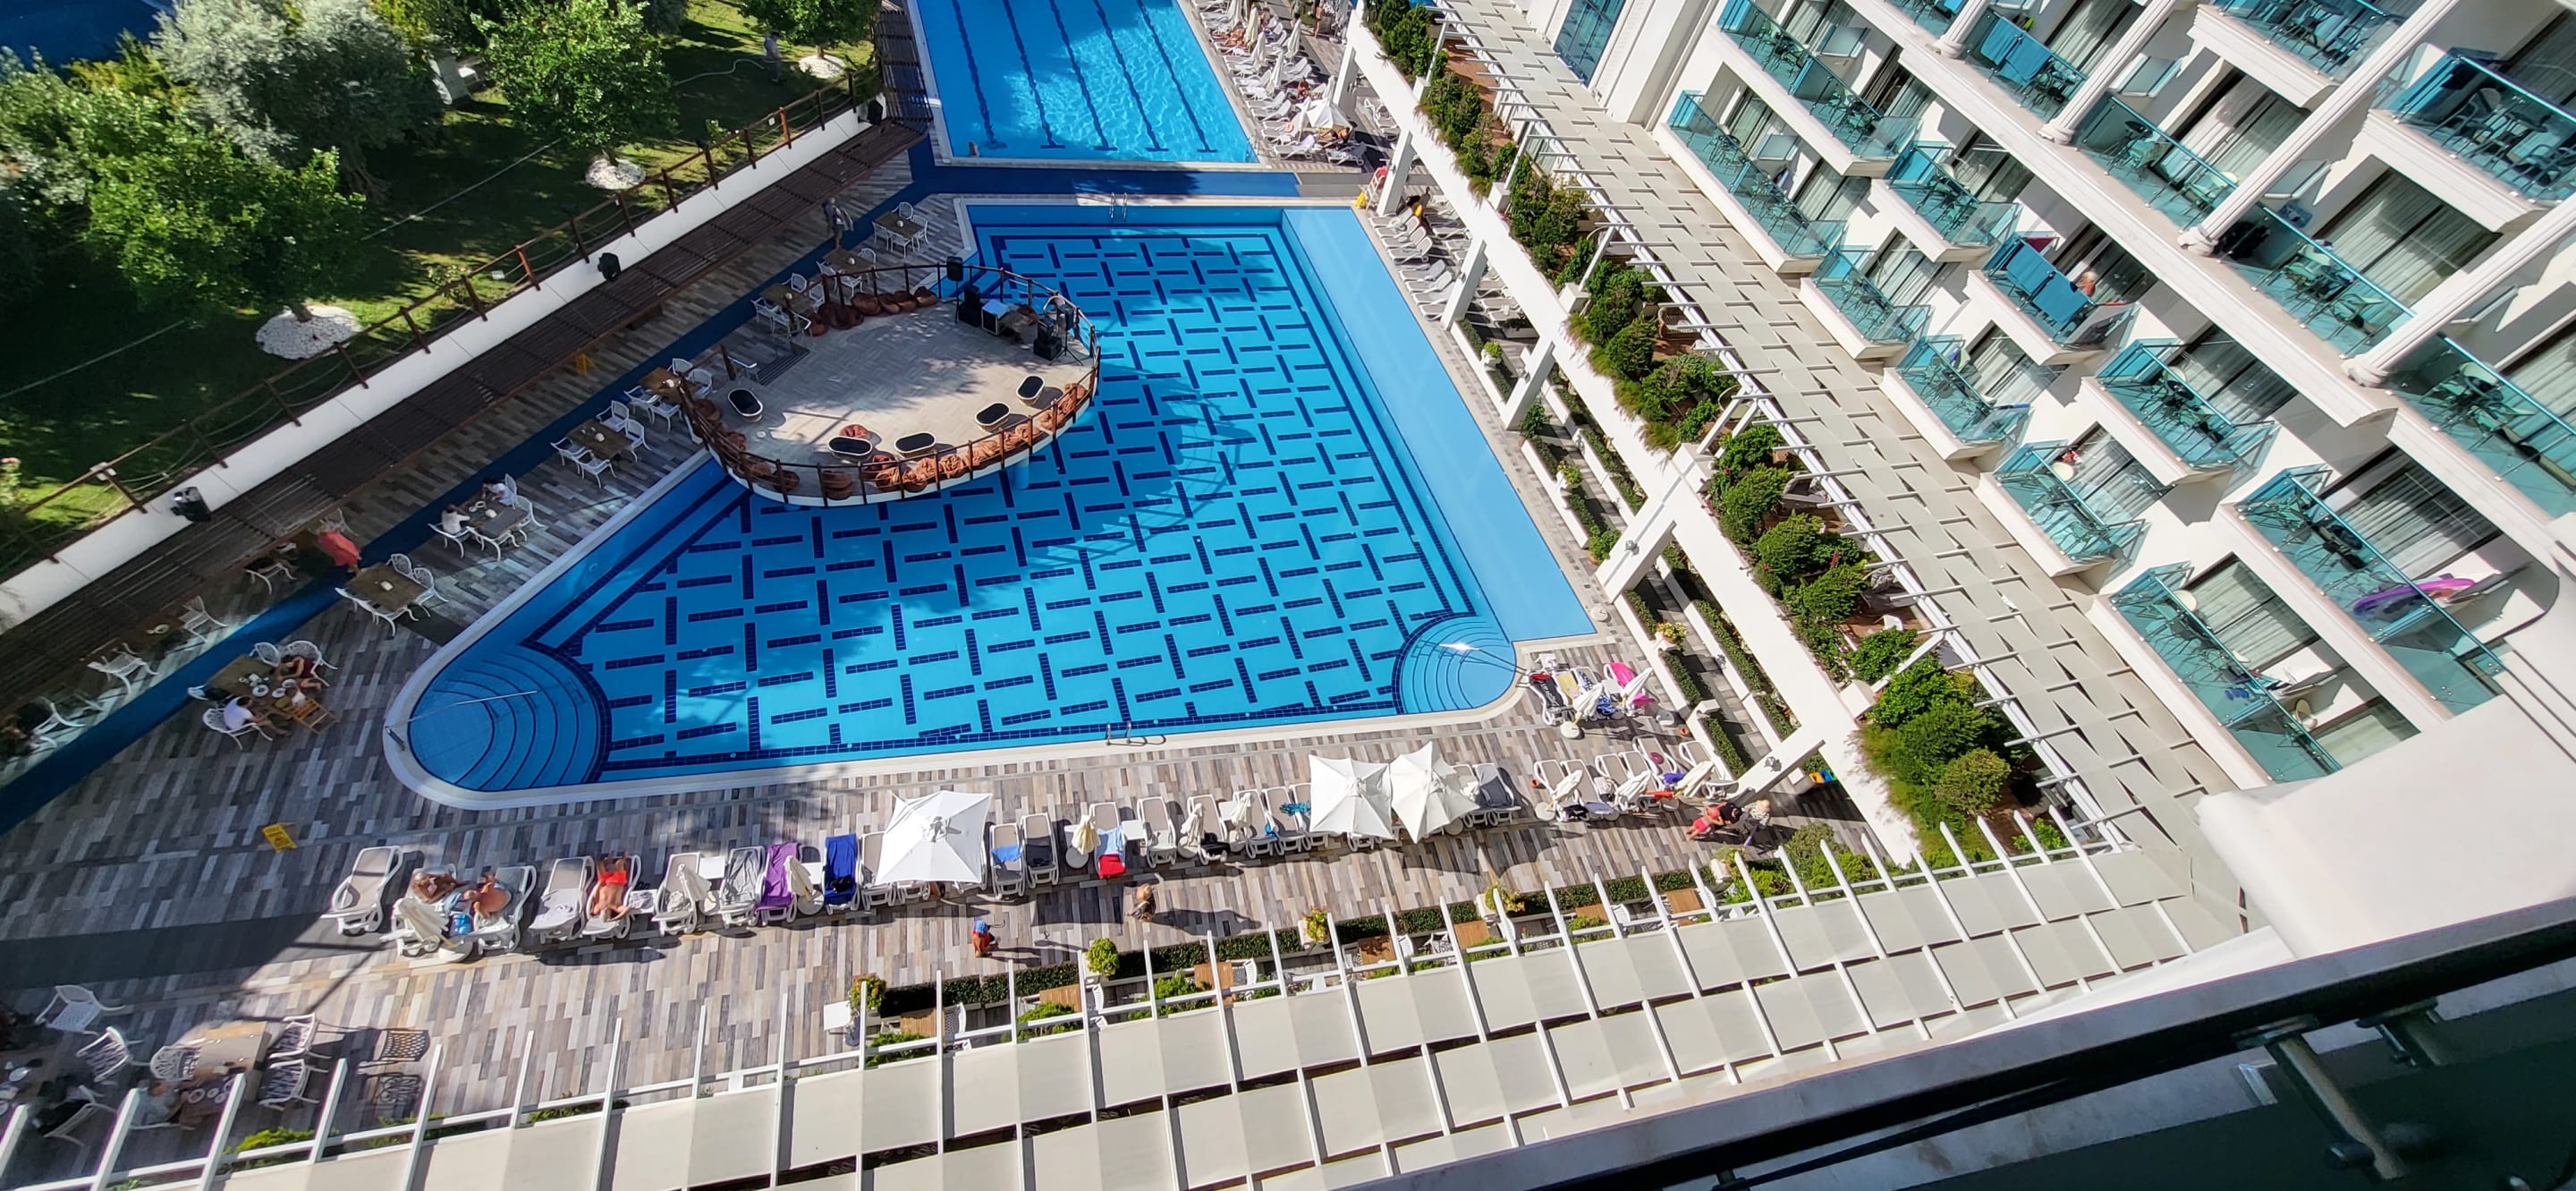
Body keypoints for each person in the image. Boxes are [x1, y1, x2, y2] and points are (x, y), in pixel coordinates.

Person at [590, 854, 631, 920]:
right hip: (617, 882)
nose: (604, 913)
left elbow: (594, 898)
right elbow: (627, 909)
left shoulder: (598, 909)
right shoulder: (616, 908)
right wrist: (615, 918)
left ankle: (608, 861)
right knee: (619, 863)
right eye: (606, 915)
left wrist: (599, 884)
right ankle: (624, 858)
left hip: (604, 883)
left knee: (599, 864)